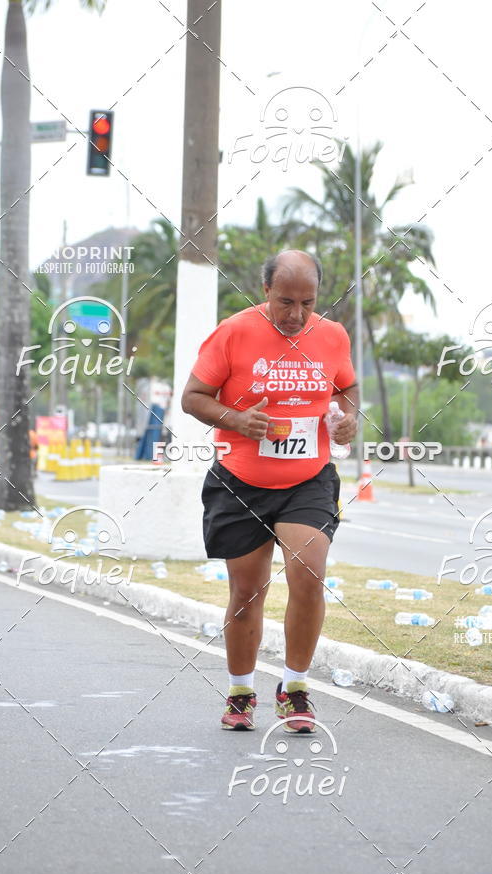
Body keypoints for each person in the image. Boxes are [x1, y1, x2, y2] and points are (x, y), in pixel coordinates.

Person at [181, 249, 359, 733]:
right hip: (240, 482)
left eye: (307, 302)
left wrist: (347, 420)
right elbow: (192, 398)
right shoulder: (234, 331)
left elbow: (346, 387)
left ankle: (295, 687)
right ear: (265, 292)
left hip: (308, 479)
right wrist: (237, 419)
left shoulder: (332, 336)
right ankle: (241, 693)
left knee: (309, 573)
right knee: (246, 591)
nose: (296, 315)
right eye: (285, 302)